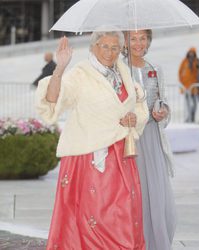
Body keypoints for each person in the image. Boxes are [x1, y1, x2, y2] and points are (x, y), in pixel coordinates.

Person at [35, 30, 149, 249]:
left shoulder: (124, 71)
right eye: (104, 46)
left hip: (122, 156)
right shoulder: (80, 74)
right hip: (90, 158)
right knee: (96, 216)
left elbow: (137, 106)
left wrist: (133, 117)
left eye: (115, 47)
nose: (109, 52)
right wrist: (60, 68)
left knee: (125, 212)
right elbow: (53, 99)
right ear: (93, 47)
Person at [123, 30, 176, 250]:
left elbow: (162, 102)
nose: (138, 43)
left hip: (153, 139)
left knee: (156, 194)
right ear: (125, 41)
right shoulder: (119, 69)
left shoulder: (155, 69)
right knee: (135, 192)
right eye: (133, 38)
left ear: (149, 41)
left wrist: (161, 111)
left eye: (143, 38)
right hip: (130, 140)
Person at [178, 47, 199, 122]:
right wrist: (182, 83)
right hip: (186, 87)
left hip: (194, 87)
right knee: (188, 105)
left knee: (194, 104)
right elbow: (180, 72)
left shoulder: (197, 61)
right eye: (190, 52)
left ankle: (192, 117)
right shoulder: (184, 61)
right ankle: (189, 118)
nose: (191, 54)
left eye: (192, 52)